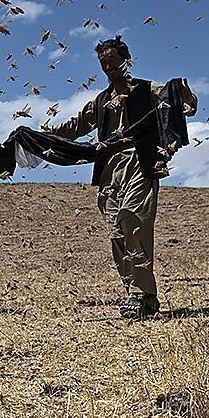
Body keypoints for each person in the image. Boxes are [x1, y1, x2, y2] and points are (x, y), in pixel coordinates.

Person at [47, 36, 198, 320]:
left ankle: (144, 293)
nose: (108, 65)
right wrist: (41, 136)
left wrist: (185, 95)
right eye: (103, 61)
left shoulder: (145, 89)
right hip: (108, 171)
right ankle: (135, 294)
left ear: (125, 59)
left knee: (132, 219)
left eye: (112, 58)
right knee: (117, 231)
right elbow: (75, 127)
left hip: (139, 162)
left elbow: (178, 100)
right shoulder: (101, 101)